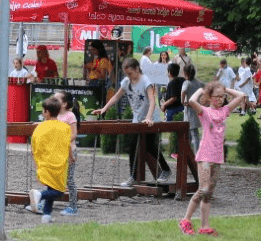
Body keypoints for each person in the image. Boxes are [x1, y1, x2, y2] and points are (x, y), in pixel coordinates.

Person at [89, 57, 172, 186]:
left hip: (150, 119)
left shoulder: (146, 81)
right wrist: (104, 109)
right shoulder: (126, 82)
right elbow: (116, 97)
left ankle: (165, 169)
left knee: (150, 145)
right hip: (137, 119)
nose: (128, 76)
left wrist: (149, 118)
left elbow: (152, 101)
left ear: (137, 69)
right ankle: (133, 177)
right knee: (133, 147)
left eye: (130, 73)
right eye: (126, 74)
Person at [179, 81, 248, 234]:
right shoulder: (204, 111)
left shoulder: (225, 110)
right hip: (205, 157)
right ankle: (186, 220)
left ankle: (204, 227)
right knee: (203, 190)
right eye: (217, 96)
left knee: (209, 192)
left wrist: (225, 90)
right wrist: (200, 90)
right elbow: (191, 101)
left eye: (222, 97)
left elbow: (242, 96)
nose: (221, 99)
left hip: (217, 158)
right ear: (209, 97)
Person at [24, 96, 74, 224]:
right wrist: (71, 156)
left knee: (52, 189)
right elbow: (67, 144)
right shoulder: (65, 128)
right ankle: (40, 195)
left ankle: (46, 215)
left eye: (43, 110)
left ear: (46, 112)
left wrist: (37, 164)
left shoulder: (39, 128)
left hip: (45, 164)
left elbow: (34, 148)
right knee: (59, 192)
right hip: (59, 165)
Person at [52, 88, 81, 215]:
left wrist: (62, 141)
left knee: (69, 179)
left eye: (56, 99)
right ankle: (45, 202)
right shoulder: (54, 115)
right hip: (57, 152)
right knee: (52, 177)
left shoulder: (70, 115)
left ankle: (73, 207)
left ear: (64, 103)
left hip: (69, 151)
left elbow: (74, 134)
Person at [180, 63, 203, 156]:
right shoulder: (198, 82)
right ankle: (194, 152)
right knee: (195, 133)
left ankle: (195, 153)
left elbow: (183, 92)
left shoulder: (187, 83)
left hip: (189, 110)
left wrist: (182, 101)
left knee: (192, 133)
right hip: (197, 109)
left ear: (186, 73)